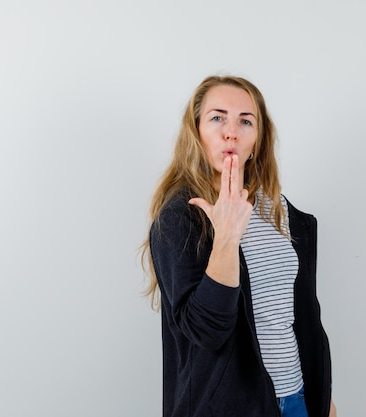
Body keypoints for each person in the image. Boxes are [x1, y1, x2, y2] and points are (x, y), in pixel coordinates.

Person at [141, 75, 336, 417]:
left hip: (297, 400)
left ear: (258, 141)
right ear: (196, 133)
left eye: (246, 121)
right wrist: (227, 236)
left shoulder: (279, 211)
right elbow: (206, 332)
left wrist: (322, 397)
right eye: (217, 118)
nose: (231, 131)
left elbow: (296, 318)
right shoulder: (178, 218)